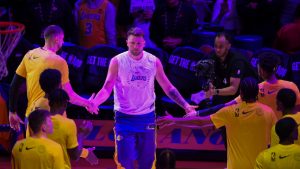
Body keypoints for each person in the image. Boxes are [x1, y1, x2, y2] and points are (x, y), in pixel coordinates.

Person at [91, 27, 197, 169]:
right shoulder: (117, 61)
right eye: (132, 43)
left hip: (146, 117)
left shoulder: (153, 61)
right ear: (127, 42)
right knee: (124, 161)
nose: (136, 46)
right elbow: (107, 88)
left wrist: (185, 105)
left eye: (139, 43)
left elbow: (168, 87)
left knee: (146, 163)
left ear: (144, 43)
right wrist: (95, 102)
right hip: (124, 117)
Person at [158, 77, 277, 169]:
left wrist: (174, 120)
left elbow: (200, 122)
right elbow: (275, 142)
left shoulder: (229, 112)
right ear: (257, 93)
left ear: (241, 93)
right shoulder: (269, 112)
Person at [8, 25, 98, 132]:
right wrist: (87, 103)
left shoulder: (29, 55)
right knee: (56, 149)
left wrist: (12, 111)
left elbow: (14, 84)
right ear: (57, 39)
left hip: (32, 116)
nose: (63, 42)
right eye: (62, 39)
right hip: (52, 119)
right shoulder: (59, 61)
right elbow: (69, 94)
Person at [47, 89, 98, 168]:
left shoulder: (35, 119)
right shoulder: (68, 123)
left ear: (49, 103)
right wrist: (81, 135)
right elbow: (74, 155)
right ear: (65, 105)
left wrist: (85, 152)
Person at [202, 32, 257, 105]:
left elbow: (233, 89)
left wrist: (214, 92)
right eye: (215, 46)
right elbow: (210, 75)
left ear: (228, 46)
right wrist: (210, 84)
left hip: (247, 94)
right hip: (226, 90)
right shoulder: (213, 56)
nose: (217, 50)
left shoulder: (237, 61)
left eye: (221, 47)